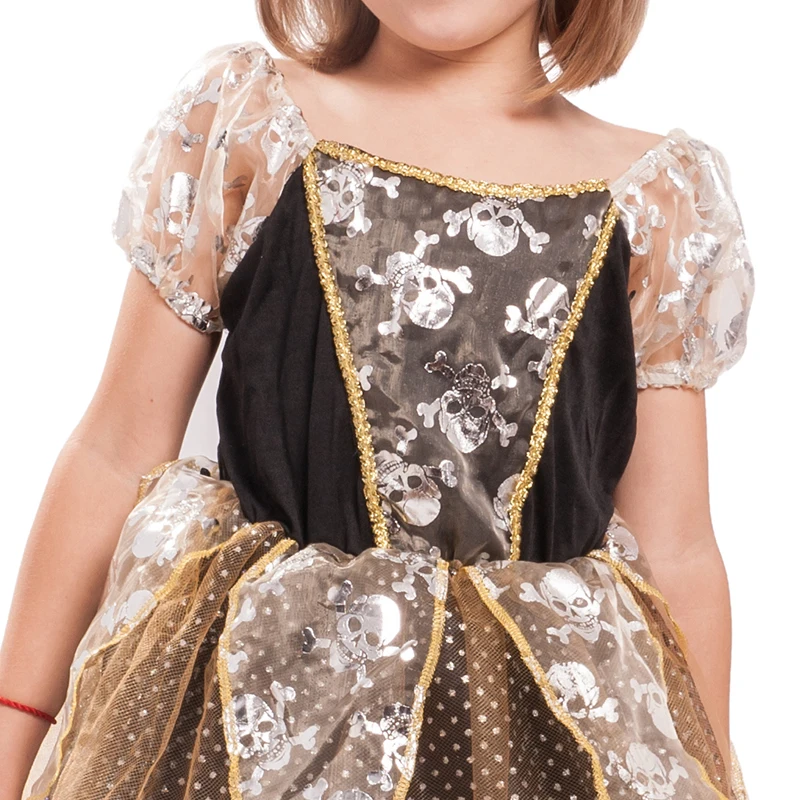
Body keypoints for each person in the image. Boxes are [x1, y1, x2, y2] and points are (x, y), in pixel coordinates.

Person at [0, 2, 755, 799]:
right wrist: (13, 739)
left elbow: (676, 548)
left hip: (536, 752)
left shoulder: (655, 200)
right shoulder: (254, 123)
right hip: (257, 735)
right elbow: (118, 448)